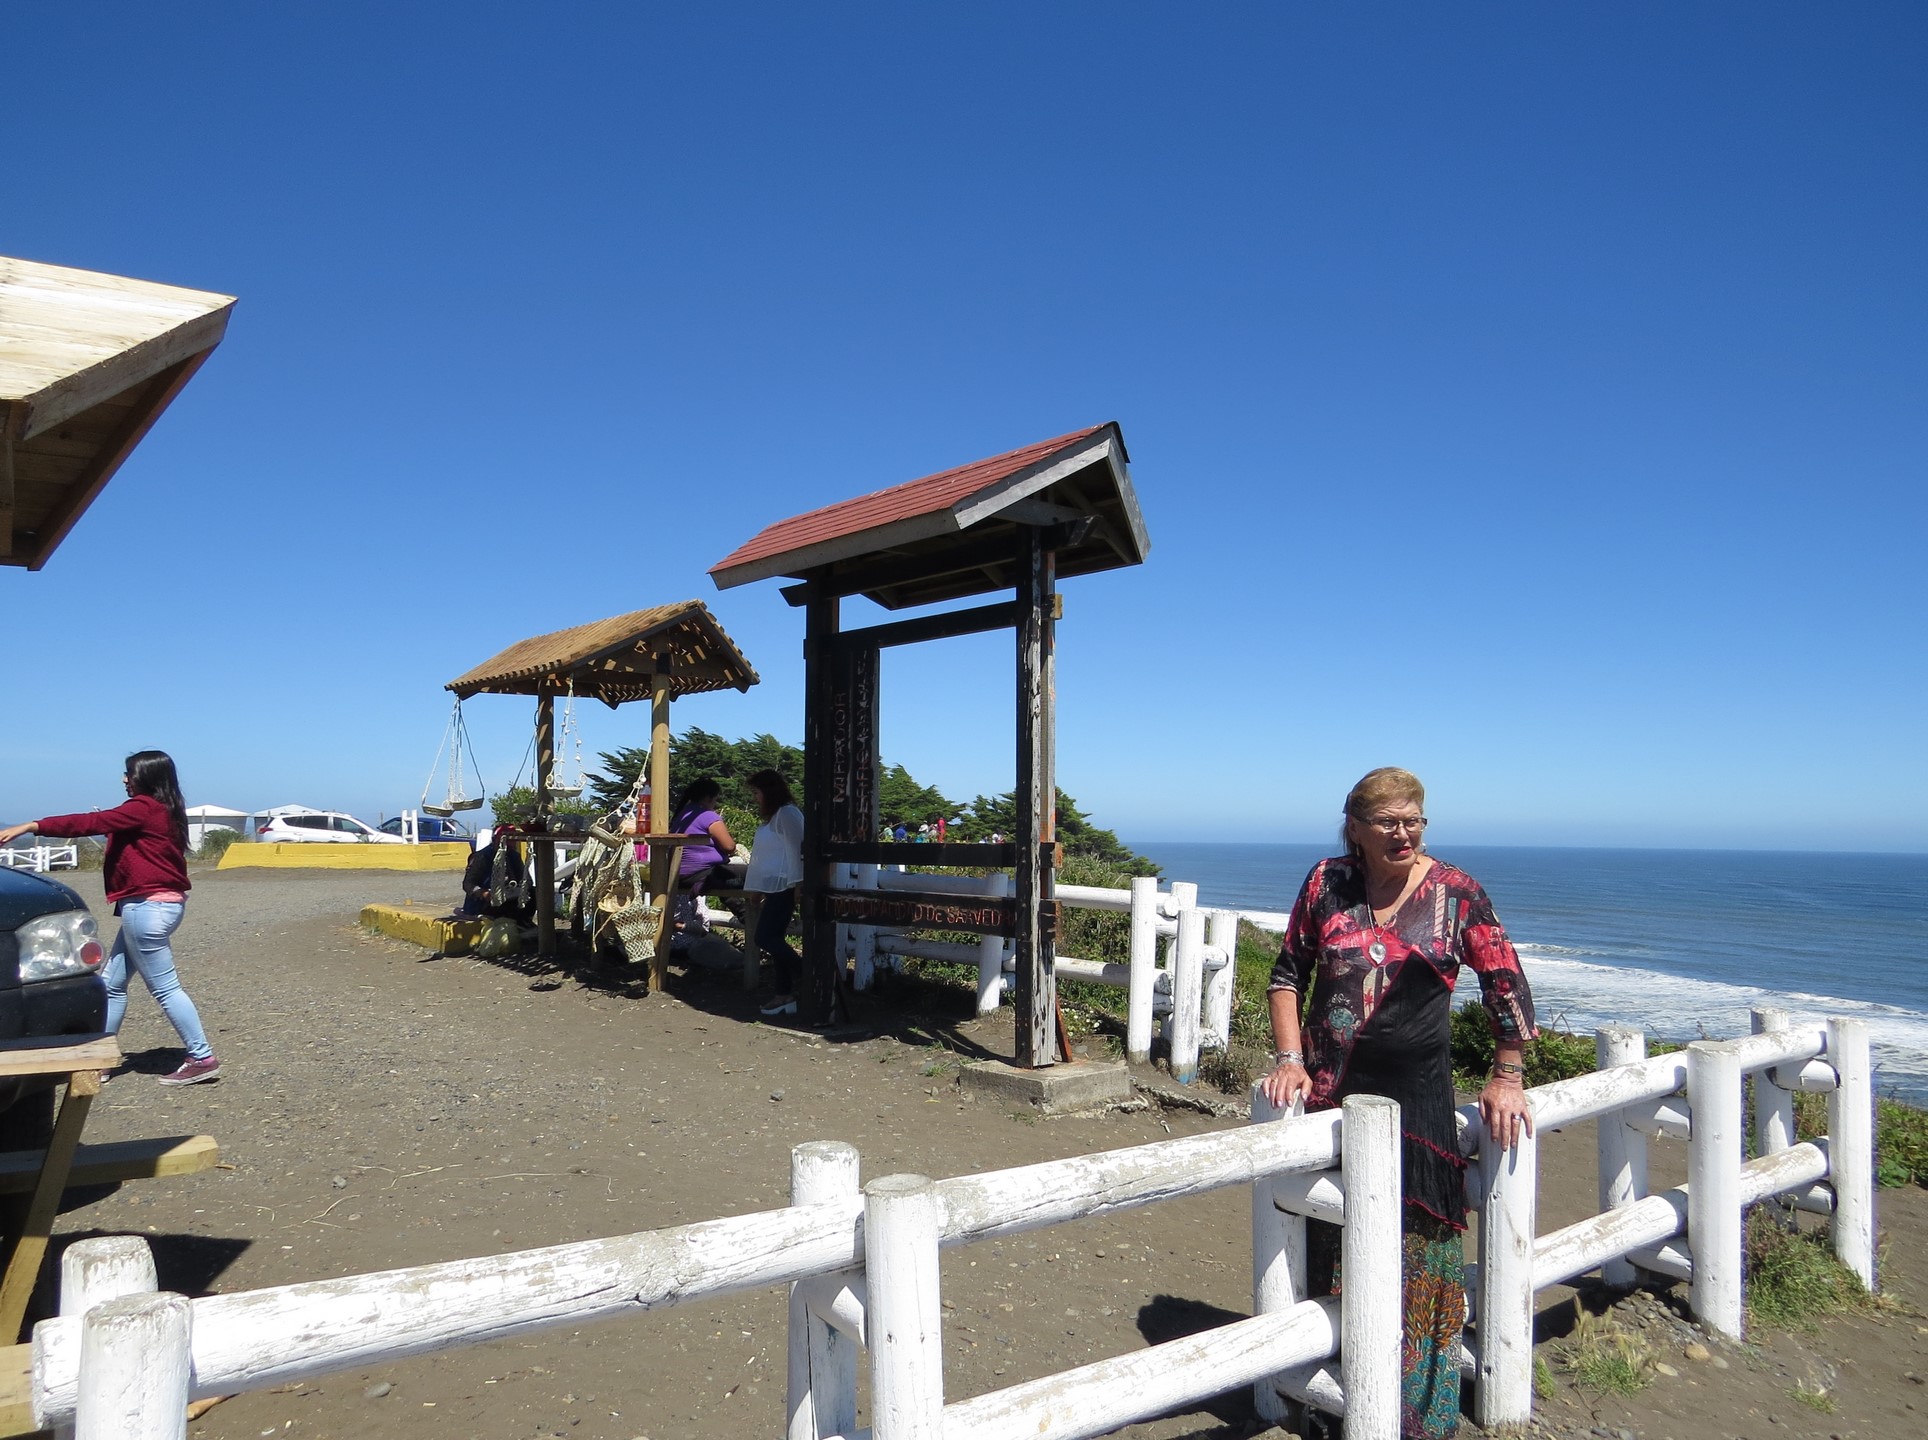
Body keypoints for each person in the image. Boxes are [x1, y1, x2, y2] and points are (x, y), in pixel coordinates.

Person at [1259, 767, 1534, 1440]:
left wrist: (1507, 1075)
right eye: (1388, 822)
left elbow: (1507, 986)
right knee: (1327, 1239)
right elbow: (1288, 974)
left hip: (1418, 1112)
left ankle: (1415, 1415)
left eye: (1413, 820)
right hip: (1329, 1101)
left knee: (1417, 1256)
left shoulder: (1457, 893)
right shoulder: (1327, 883)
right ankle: (1329, 1395)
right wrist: (1290, 1059)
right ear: (1354, 827)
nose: (1403, 833)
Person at [0, 751, 220, 1085]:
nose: (124, 779)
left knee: (165, 989)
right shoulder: (164, 809)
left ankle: (202, 1057)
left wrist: (32, 825)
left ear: (146, 776)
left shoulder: (142, 808)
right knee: (111, 985)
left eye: (129, 773)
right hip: (155, 907)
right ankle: (98, 1060)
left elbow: (90, 823)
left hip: (147, 909)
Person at [743, 769, 806, 1018]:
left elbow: (797, 849)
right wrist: (759, 887)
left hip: (786, 886)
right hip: (775, 886)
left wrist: (799, 884)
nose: (755, 798)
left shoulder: (788, 813)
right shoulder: (775, 816)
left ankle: (810, 975)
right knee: (775, 938)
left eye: (757, 792)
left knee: (765, 937)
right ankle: (784, 994)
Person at [669, 778, 737, 934]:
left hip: (682, 873)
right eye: (715, 800)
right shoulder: (707, 815)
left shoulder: (682, 815)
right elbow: (729, 846)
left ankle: (744, 916)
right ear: (708, 798)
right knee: (751, 876)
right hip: (701, 872)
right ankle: (751, 919)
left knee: (730, 880)